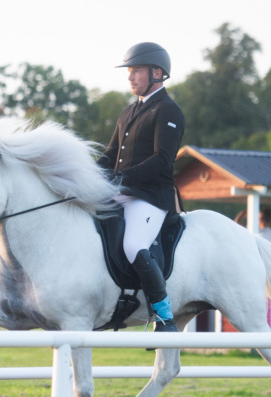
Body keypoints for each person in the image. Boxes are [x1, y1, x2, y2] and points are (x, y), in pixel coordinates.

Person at [97, 42, 186, 332]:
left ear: (157, 73)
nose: (130, 77)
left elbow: (162, 160)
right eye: (129, 71)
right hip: (122, 194)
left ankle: (163, 315)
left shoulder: (168, 111)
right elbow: (111, 155)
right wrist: (86, 174)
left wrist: (123, 179)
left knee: (134, 244)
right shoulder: (127, 112)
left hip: (150, 198)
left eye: (136, 71)